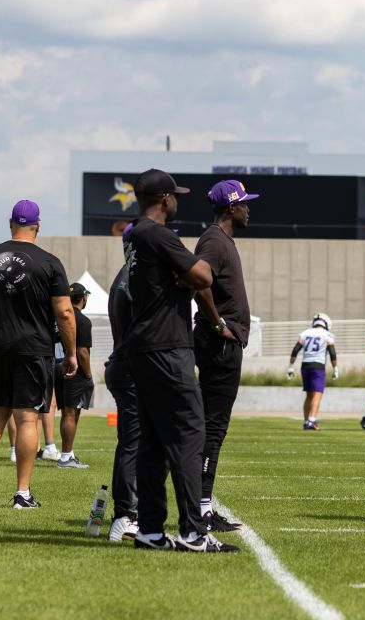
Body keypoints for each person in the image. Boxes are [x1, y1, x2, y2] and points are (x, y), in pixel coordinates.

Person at [125, 169, 237, 552]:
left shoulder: (134, 236)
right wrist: (187, 272)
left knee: (154, 442)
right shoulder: (156, 235)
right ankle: (193, 532)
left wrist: (182, 273)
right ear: (164, 200)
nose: (178, 201)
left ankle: (151, 532)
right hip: (168, 347)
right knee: (192, 434)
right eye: (175, 196)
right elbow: (204, 276)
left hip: (145, 347)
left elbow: (189, 276)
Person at [0, 199, 77, 510]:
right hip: (33, 348)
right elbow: (65, 313)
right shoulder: (50, 263)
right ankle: (22, 494)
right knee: (27, 418)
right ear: (37, 227)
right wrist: (71, 353)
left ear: (10, 223)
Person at [192, 179, 257, 534]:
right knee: (213, 427)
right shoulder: (215, 242)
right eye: (245, 203)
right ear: (232, 208)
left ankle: (201, 504)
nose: (249, 209)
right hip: (219, 345)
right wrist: (218, 325)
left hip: (223, 344)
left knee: (213, 426)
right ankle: (202, 507)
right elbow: (198, 279)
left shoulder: (220, 241)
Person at [103, 254, 140, 542]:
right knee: (133, 442)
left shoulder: (126, 276)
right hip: (132, 369)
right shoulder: (133, 278)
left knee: (133, 442)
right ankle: (126, 515)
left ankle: (127, 513)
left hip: (125, 366)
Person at [56, 282, 94, 469]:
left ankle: (68, 453)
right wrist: (88, 375)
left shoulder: (59, 317)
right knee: (71, 413)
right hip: (74, 370)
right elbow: (82, 352)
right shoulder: (82, 320)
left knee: (67, 413)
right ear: (83, 298)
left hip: (57, 366)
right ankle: (65, 458)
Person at [288, 313, 338, 430]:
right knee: (317, 395)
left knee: (309, 395)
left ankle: (306, 421)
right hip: (318, 366)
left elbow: (295, 350)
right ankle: (311, 420)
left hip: (305, 365)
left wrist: (290, 366)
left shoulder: (305, 333)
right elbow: (332, 353)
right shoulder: (327, 335)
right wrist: (335, 368)